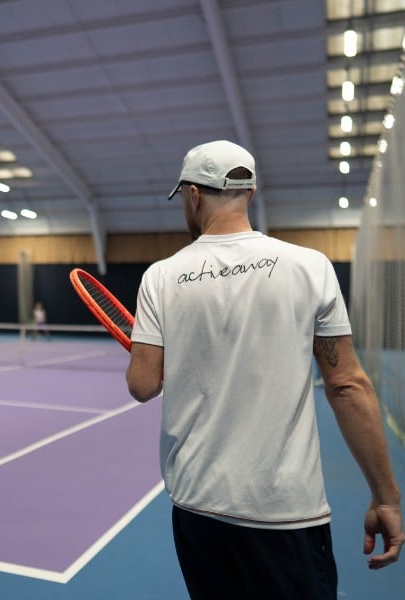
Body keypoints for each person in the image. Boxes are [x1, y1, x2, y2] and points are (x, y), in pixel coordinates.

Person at [126, 140, 403, 598]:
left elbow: (142, 385)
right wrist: (386, 497)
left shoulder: (161, 276)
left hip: (199, 511)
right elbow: (348, 386)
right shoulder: (311, 267)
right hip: (288, 515)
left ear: (194, 196)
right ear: (249, 192)